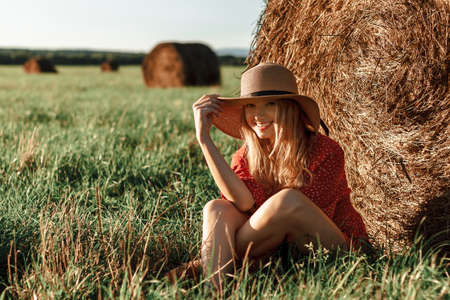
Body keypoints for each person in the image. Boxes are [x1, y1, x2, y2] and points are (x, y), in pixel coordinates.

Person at [172, 62, 368, 290]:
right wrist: (204, 140)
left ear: (290, 108)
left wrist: (221, 249)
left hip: (334, 248)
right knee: (216, 208)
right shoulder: (245, 155)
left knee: (288, 201)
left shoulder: (326, 151)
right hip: (271, 251)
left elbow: (297, 218)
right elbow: (244, 204)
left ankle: (214, 264)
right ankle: (215, 290)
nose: (258, 114)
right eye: (251, 105)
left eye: (270, 104)